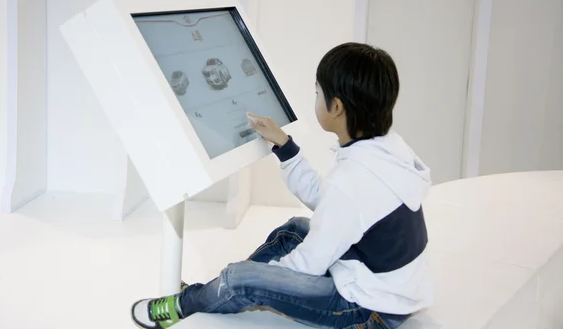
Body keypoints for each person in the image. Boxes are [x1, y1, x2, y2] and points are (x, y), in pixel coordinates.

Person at [131, 43, 432, 329]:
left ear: (336, 107)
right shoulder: (386, 151)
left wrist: (256, 280)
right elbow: (329, 203)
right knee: (293, 230)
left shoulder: (354, 179)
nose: (315, 99)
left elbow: (309, 263)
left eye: (318, 93)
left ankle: (193, 302)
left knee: (240, 278)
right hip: (382, 285)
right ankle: (221, 292)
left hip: (369, 310)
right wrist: (285, 147)